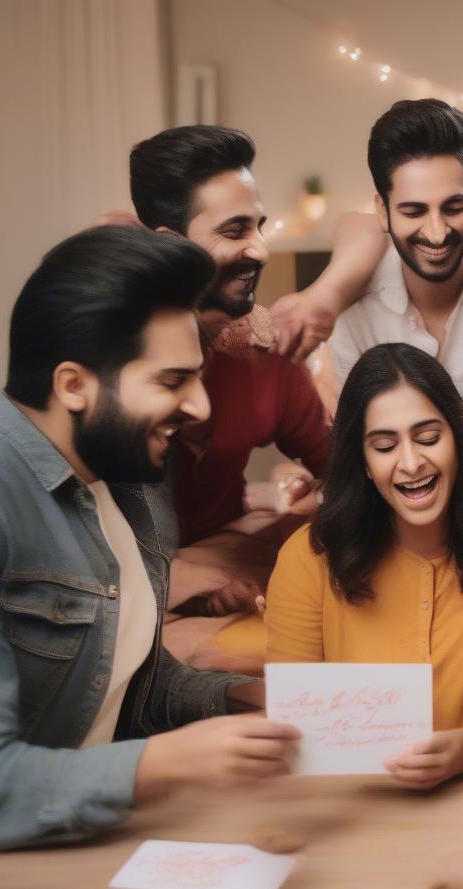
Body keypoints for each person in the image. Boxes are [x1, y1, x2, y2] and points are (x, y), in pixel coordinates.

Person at [0, 226, 300, 852]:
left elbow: (128, 689)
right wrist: (169, 763)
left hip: (97, 849)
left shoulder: (133, 484)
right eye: (171, 380)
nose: (200, 407)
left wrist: (234, 698)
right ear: (74, 385)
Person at [265, 343, 463, 789]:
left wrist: (461, 752)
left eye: (429, 438)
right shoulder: (308, 557)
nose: (411, 463)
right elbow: (295, 712)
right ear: (364, 463)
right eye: (385, 446)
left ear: (459, 439)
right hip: (351, 804)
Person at [129, 125, 330, 668]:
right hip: (121, 594)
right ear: (171, 246)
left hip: (228, 565)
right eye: (236, 229)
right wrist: (184, 581)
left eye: (259, 227)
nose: (260, 249)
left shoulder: (264, 352)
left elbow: (343, 468)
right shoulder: (106, 356)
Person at [322, 99, 463, 403]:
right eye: (414, 211)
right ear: (382, 211)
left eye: (453, 207)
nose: (437, 233)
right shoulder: (353, 309)